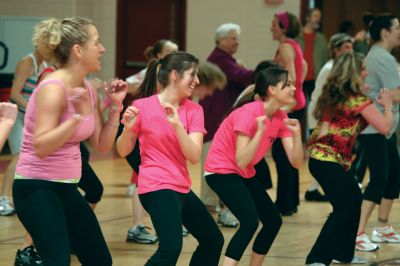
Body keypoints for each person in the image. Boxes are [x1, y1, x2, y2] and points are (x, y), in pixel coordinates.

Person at [12, 17, 128, 265]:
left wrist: (115, 108)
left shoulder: (86, 88)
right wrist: (75, 118)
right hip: (35, 187)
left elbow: (102, 145)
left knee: (99, 261)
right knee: (57, 260)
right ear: (78, 50)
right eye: (97, 42)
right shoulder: (52, 88)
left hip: (66, 188)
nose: (102, 48)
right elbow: (41, 146)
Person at [117, 51, 224, 266]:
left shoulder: (194, 110)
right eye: (192, 75)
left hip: (180, 187)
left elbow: (194, 156)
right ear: (174, 75)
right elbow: (123, 150)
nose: (197, 80)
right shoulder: (142, 106)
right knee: (171, 248)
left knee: (213, 239)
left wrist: (176, 125)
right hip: (155, 186)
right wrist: (128, 130)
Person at [205, 66, 303, 266]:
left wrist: (298, 134)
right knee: (249, 222)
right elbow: (241, 159)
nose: (293, 88)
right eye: (288, 84)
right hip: (220, 171)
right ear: (272, 90)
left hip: (243, 172)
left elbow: (296, 162)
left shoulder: (281, 117)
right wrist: (259, 133)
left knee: (273, 221)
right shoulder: (249, 113)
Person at [305, 51, 393, 266]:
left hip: (323, 160)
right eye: (363, 68)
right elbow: (385, 128)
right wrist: (388, 105)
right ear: (354, 72)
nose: (367, 72)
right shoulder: (357, 101)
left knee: (354, 201)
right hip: (328, 161)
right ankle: (316, 259)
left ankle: (343, 254)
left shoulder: (337, 96)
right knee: (345, 208)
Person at [123, 39, 178, 244]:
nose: (176, 54)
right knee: (143, 178)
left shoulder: (170, 75)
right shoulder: (151, 74)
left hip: (148, 131)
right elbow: (125, 86)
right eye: (171, 51)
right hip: (135, 130)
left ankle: (168, 223)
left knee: (161, 177)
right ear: (158, 56)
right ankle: (136, 227)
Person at [199, 23, 253, 226]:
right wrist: (266, 71)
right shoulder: (219, 60)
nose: (236, 41)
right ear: (220, 40)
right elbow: (242, 76)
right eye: (232, 38)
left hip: (222, 122)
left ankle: (220, 209)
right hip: (214, 121)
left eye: (238, 38)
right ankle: (209, 210)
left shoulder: (227, 60)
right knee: (211, 167)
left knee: (222, 167)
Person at [356, 13, 400, 252]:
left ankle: (382, 226)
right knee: (380, 177)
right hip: (374, 127)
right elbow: (396, 95)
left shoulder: (384, 55)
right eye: (397, 27)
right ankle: (358, 232)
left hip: (385, 127)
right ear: (385, 32)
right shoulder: (382, 57)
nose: (399, 31)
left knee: (393, 175)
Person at [305, 33, 353, 202]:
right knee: (323, 156)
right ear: (335, 50)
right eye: (346, 47)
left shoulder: (340, 68)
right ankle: (314, 190)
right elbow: (328, 96)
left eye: (351, 47)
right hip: (320, 117)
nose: (350, 50)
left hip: (328, 118)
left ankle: (312, 189)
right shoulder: (329, 68)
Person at [0, 49, 48, 217]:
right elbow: (14, 93)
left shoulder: (46, 65)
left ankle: (22, 197)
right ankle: (3, 198)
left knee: (33, 157)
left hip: (30, 117)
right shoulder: (28, 62)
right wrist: (33, 111)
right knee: (18, 155)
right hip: (16, 115)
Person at [271, 11, 306, 215]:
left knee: (281, 154)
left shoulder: (285, 46)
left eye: (274, 24)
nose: (271, 28)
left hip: (289, 106)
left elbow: (291, 77)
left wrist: (283, 104)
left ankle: (285, 203)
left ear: (283, 27)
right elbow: (305, 66)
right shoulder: (294, 45)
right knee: (289, 154)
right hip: (297, 104)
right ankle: (290, 201)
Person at [296, 8, 329, 103]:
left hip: (316, 80)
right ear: (307, 18)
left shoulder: (321, 39)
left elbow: (326, 60)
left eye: (319, 17)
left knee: (314, 107)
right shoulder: (297, 37)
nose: (318, 19)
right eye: (315, 16)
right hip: (299, 79)